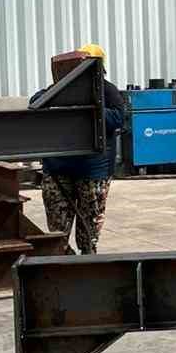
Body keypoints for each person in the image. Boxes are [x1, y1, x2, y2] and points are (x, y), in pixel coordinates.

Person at [32, 42, 125, 253]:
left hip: (92, 172)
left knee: (89, 229)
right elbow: (35, 102)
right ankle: (65, 259)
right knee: (57, 232)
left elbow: (119, 117)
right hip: (58, 169)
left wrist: (90, 110)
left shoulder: (107, 91)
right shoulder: (60, 89)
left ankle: (87, 260)